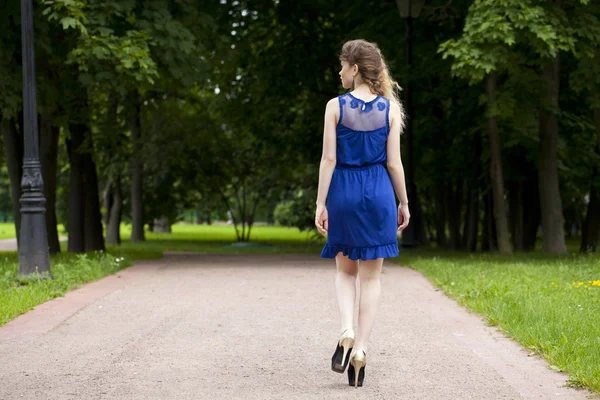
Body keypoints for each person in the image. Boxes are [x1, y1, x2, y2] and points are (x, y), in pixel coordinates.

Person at [314, 39, 410, 388]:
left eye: (342, 65)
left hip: (344, 192)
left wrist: (321, 203)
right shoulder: (390, 110)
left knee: (345, 273)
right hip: (379, 193)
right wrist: (404, 203)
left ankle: (347, 331)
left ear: (355, 69)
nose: (339, 71)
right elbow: (394, 163)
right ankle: (361, 352)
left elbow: (329, 159)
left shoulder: (334, 107)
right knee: (372, 278)